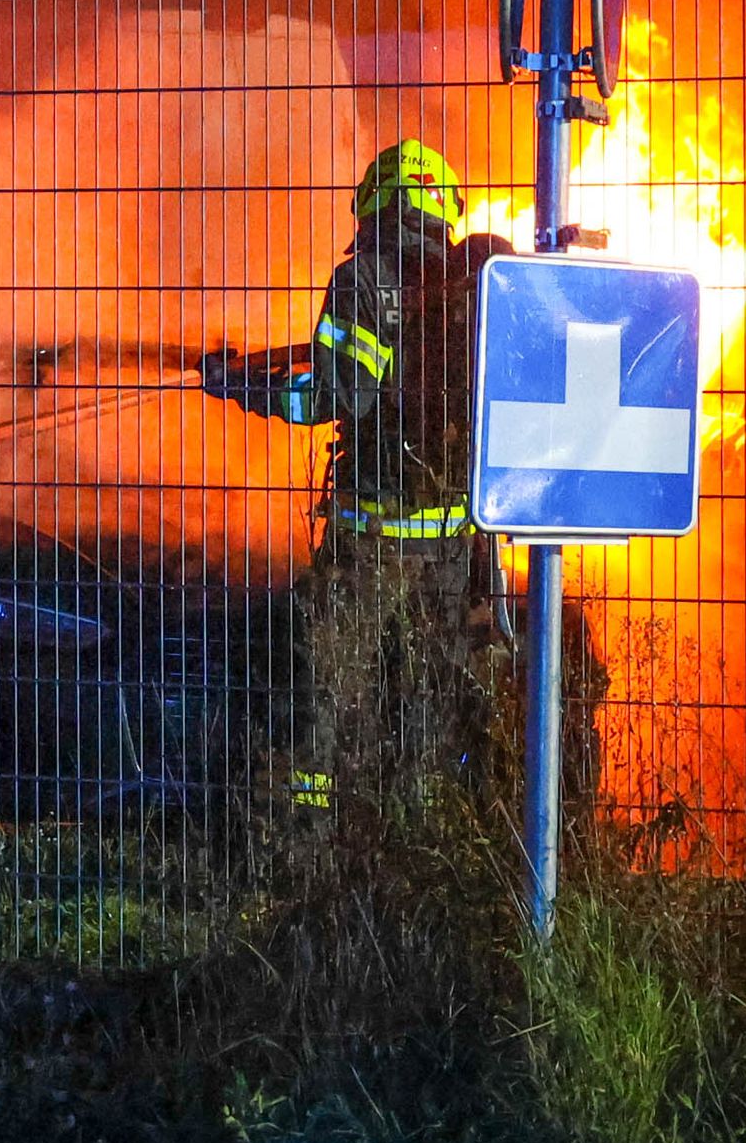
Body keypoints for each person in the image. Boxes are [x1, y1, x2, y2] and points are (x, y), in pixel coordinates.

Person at [203, 141, 522, 817]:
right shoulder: (483, 286)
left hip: (371, 544)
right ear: (445, 208)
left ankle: (309, 842)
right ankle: (412, 833)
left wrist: (241, 388)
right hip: (456, 547)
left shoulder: (366, 281)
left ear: (373, 202)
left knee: (325, 690)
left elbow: (327, 398)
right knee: (426, 694)